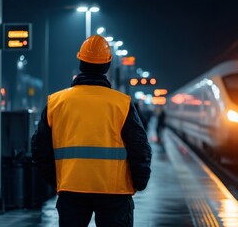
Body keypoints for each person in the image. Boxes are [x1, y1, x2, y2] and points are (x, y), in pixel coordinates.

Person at [31, 35, 152, 227]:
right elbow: (140, 147)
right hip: (115, 191)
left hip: (71, 189)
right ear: (107, 66)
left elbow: (39, 149)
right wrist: (139, 181)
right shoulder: (122, 104)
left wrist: (57, 180)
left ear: (80, 63)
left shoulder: (56, 102)